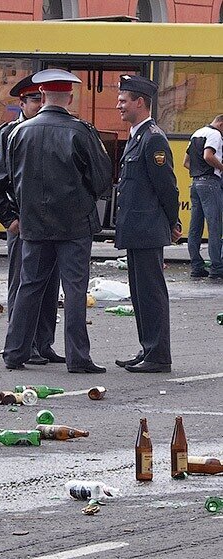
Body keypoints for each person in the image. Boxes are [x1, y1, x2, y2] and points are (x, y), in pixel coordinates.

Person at [2, 69, 112, 374]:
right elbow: (102, 180)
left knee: (29, 286)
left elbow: (10, 179)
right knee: (75, 290)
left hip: (34, 224)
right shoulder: (80, 131)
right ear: (70, 97)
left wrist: (16, 214)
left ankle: (15, 352)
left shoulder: (19, 133)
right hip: (74, 226)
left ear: (43, 96)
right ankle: (78, 358)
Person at [0, 74, 62, 366]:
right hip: (24, 222)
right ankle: (23, 345)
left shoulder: (50, 129)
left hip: (52, 222)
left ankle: (44, 342)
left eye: (43, 98)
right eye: (34, 99)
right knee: (23, 284)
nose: (40, 105)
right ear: (22, 103)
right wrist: (8, 219)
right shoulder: (7, 134)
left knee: (50, 285)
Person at [113, 75, 181, 374]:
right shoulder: (137, 136)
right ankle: (148, 349)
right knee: (140, 294)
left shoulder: (153, 137)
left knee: (151, 294)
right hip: (136, 228)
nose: (119, 105)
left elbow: (167, 186)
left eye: (123, 100)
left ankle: (158, 356)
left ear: (140, 102)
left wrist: (172, 222)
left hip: (147, 228)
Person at [183, 115, 223, 279]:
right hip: (210, 183)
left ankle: (196, 266)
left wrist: (197, 173)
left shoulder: (196, 133)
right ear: (221, 124)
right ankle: (217, 268)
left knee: (195, 227)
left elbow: (186, 162)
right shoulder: (215, 134)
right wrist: (221, 168)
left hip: (196, 183)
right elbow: (208, 156)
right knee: (215, 226)